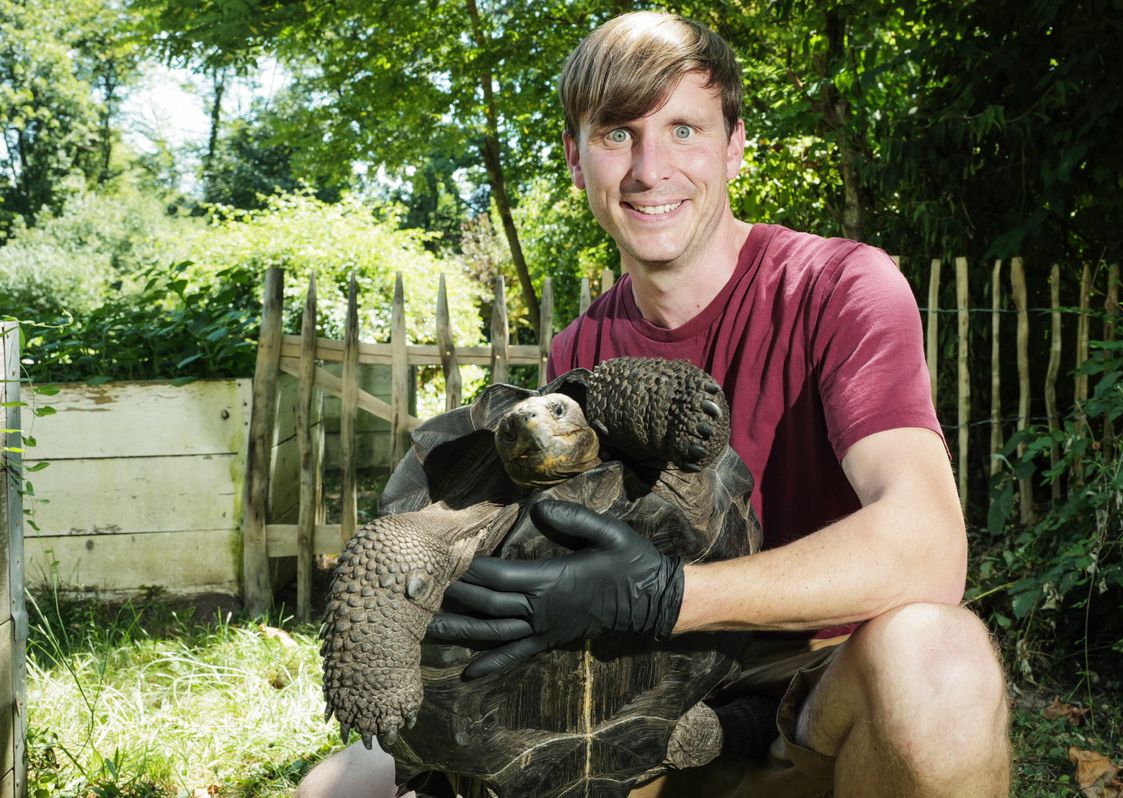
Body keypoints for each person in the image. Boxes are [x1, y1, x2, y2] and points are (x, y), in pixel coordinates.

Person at [298, 11, 1010, 798]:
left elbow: (929, 549)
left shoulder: (838, 288)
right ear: (576, 159)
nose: (649, 168)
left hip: (812, 704)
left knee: (939, 657)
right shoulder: (578, 356)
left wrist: (668, 594)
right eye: (616, 135)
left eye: (682, 130)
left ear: (735, 144)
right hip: (641, 719)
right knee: (340, 785)